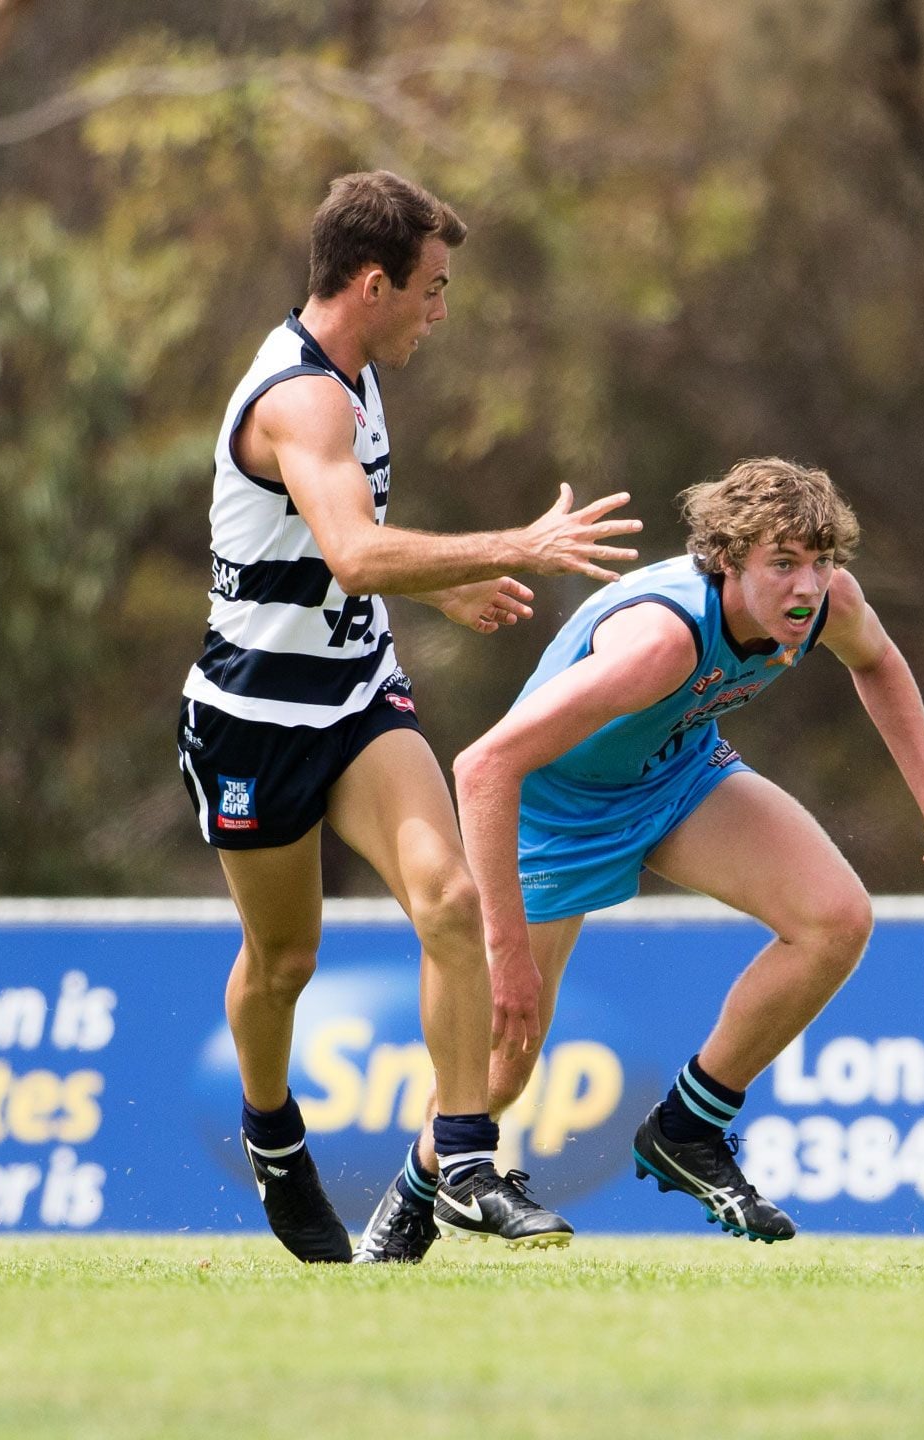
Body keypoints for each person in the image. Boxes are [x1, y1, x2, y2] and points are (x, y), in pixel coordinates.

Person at [351, 458, 924, 1261]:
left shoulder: (827, 603)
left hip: (676, 772)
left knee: (836, 920)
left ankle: (688, 1127)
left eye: (821, 560)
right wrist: (504, 949)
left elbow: (879, 662)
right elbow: (484, 767)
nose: (807, 587)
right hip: (557, 809)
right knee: (504, 1064)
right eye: (783, 563)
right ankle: (418, 1195)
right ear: (726, 560)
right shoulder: (662, 642)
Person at [178, 170, 642, 1262]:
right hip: (253, 717)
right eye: (432, 288)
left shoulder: (359, 378)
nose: (441, 310)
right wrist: (515, 546)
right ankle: (272, 1135)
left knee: (451, 899)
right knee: (284, 960)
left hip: (355, 697)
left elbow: (334, 551)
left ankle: (463, 1159)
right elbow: (351, 552)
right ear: (372, 284)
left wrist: (439, 589)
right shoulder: (301, 397)